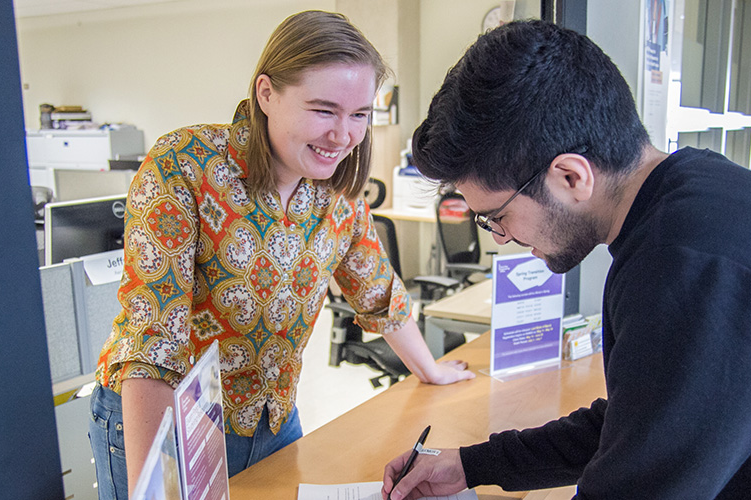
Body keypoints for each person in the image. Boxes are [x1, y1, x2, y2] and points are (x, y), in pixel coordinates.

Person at [382, 20, 751, 500]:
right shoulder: (691, 196)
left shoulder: (691, 265)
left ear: (571, 176)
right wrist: (471, 465)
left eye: (495, 215)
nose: (500, 238)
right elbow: (642, 425)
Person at [87, 10, 474, 499]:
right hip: (165, 425)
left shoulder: (338, 191)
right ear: (266, 93)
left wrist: (432, 370)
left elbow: (378, 293)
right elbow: (151, 346)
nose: (343, 136)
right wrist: (160, 490)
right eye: (324, 110)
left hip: (273, 418)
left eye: (359, 115)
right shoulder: (184, 164)